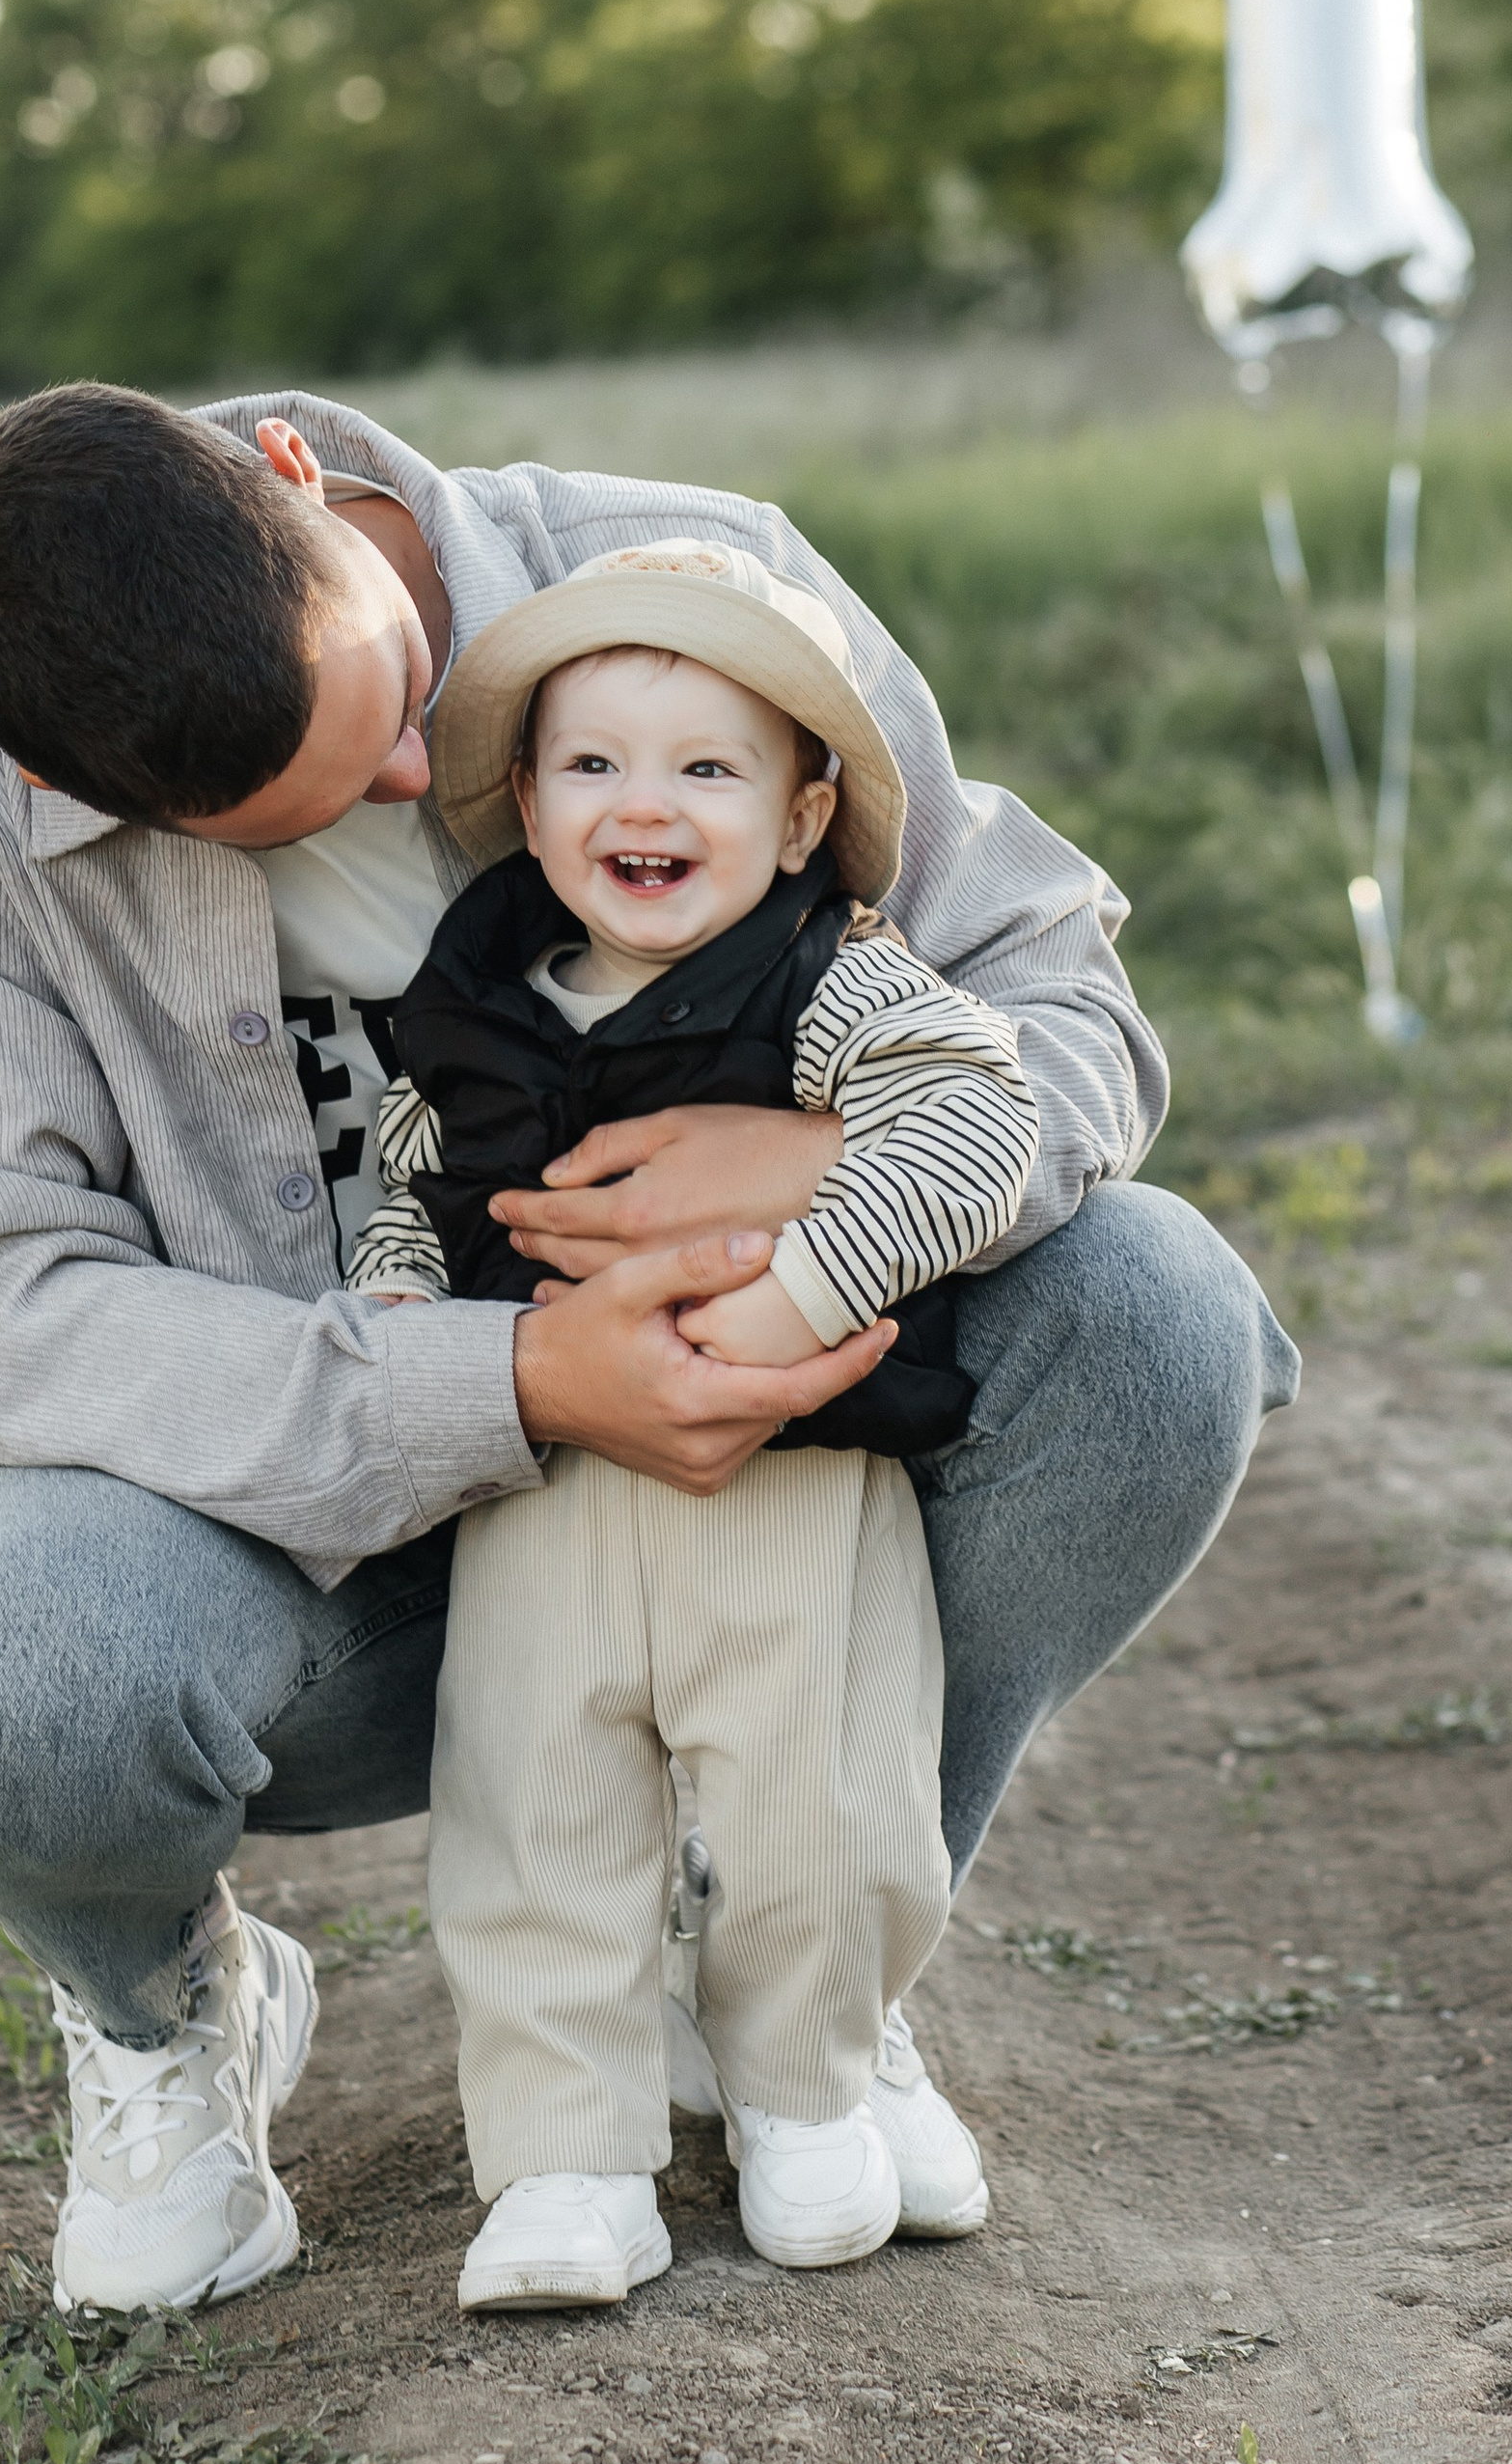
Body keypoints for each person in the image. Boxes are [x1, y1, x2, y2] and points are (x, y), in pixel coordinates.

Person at [0, 380, 1298, 2319]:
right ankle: (168, 2022)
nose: (424, 789)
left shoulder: (684, 582)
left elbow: (1053, 982)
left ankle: (799, 1978)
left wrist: (831, 1168)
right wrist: (501, 1384)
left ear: (296, 479)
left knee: (1151, 1311)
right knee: (13, 1670)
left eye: (407, 696)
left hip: (780, 1478)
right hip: (302, 1548)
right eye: (305, 817)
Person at [345, 539, 1041, 2307]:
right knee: (532, 1813)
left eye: (707, 769)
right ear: (524, 798)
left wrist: (791, 1305)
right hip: (545, 1490)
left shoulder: (842, 985)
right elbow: (420, 1186)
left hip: (786, 1474)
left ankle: (809, 2100)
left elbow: (980, 1131)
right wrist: (407, 1318)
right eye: (594, 764)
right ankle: (566, 2161)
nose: (643, 805)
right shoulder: (480, 998)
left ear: (804, 820)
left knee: (819, 1805)